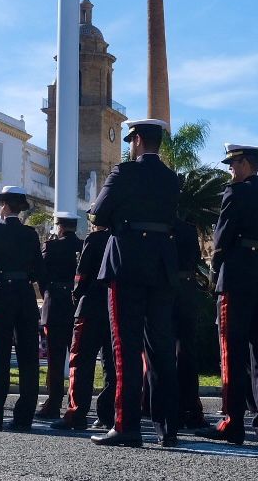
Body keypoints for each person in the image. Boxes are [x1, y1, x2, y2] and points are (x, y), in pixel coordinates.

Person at [88, 117, 180, 448]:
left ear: (137, 139)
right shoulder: (172, 179)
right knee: (161, 348)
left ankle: (126, 425)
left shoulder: (123, 173)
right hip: (161, 264)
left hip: (126, 262)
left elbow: (98, 213)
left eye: (131, 140)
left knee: (125, 347)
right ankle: (166, 427)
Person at [207, 141, 258, 446]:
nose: (230, 169)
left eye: (233, 163)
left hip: (237, 278)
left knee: (233, 353)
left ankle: (233, 422)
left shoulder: (235, 193)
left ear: (243, 164)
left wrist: (215, 268)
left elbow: (222, 236)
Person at [0, 185, 44, 432]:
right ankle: (24, 415)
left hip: (2, 294)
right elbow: (38, 269)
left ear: (4, 206)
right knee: (28, 358)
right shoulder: (31, 234)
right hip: (25, 294)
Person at [51, 220, 116, 432]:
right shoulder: (123, 238)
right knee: (112, 364)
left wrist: (76, 293)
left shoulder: (95, 239)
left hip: (91, 306)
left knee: (81, 362)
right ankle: (107, 414)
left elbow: (83, 273)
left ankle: (77, 413)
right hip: (116, 308)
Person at [36, 212, 83, 419]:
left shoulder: (51, 246)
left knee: (55, 360)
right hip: (77, 306)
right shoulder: (83, 246)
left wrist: (50, 292)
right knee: (78, 358)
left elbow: (41, 275)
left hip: (55, 304)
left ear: (59, 227)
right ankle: (75, 403)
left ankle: (53, 403)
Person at [172, 216, 207, 430]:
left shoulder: (161, 227)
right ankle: (192, 408)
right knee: (187, 351)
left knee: (161, 352)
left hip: (165, 290)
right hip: (187, 289)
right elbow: (195, 258)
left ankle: (170, 408)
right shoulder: (188, 229)